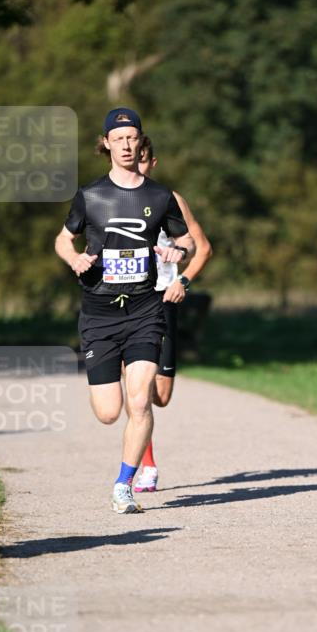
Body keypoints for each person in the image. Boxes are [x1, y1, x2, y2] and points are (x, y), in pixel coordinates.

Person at [55, 107, 193, 513]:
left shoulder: (160, 196)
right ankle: (125, 470)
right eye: (118, 139)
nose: (127, 145)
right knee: (108, 411)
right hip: (99, 312)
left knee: (140, 402)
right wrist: (74, 258)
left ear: (140, 142)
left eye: (132, 138)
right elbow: (63, 239)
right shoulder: (90, 195)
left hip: (145, 309)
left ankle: (123, 485)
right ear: (107, 144)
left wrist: (177, 251)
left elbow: (189, 242)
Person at [132, 134, 213, 492]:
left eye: (143, 159)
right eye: (131, 157)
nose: (136, 164)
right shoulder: (109, 199)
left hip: (163, 300)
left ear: (152, 163)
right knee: (137, 387)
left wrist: (183, 279)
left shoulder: (171, 200)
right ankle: (146, 465)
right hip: (126, 301)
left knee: (160, 396)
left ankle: (142, 416)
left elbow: (202, 248)